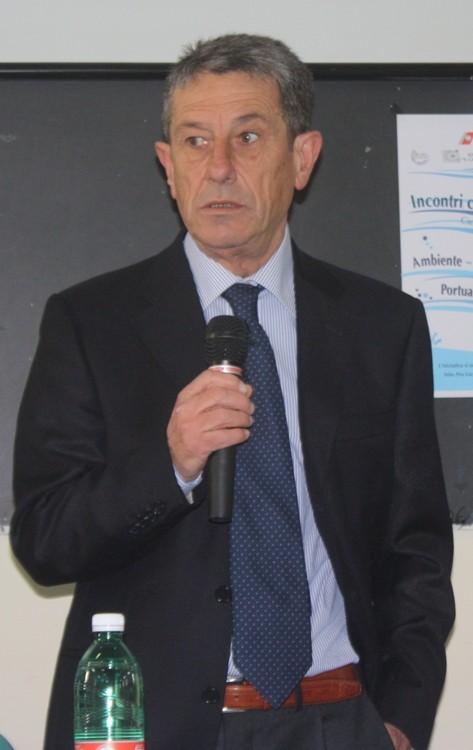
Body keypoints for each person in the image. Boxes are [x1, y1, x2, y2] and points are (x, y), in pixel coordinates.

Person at [10, 33, 454, 750]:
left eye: (247, 137)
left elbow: (417, 548)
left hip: (340, 719)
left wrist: (401, 718)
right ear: (168, 166)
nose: (218, 167)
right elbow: (44, 540)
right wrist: (171, 463)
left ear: (302, 158)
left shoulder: (381, 325)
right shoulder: (91, 322)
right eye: (195, 141)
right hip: (158, 726)